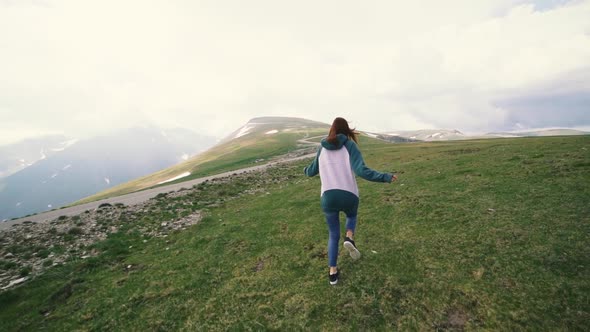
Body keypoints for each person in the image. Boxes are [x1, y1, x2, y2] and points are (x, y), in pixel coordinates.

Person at [304, 117, 397, 285]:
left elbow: (311, 171)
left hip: (328, 197)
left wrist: (305, 170)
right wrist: (386, 177)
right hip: (349, 195)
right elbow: (362, 171)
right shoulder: (349, 145)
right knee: (351, 216)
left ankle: (333, 273)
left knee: (333, 234)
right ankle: (349, 236)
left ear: (331, 130)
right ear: (346, 130)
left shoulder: (322, 148)